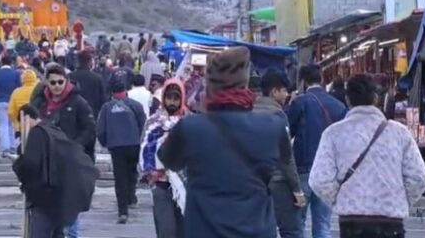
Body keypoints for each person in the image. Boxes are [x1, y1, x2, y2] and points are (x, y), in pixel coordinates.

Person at [158, 46, 289, 238]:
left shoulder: (190, 128)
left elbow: (168, 160)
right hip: (257, 230)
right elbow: (281, 164)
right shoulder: (274, 127)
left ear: (209, 85)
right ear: (245, 82)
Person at [309, 74, 425, 238]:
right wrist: (399, 199)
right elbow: (419, 177)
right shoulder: (399, 133)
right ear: (376, 98)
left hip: (352, 221)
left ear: (347, 100)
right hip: (391, 220)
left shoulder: (333, 134)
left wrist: (339, 198)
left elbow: (319, 180)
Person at [287, 64, 347, 238]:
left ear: (303, 81)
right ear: (321, 79)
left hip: (304, 168)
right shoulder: (338, 106)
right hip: (328, 171)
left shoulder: (300, 103)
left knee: (299, 222)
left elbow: (287, 131)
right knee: (322, 224)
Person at [36, 63, 95, 237]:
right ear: (47, 83)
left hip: (71, 163)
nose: (57, 86)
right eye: (53, 82)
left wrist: (75, 146)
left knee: (71, 206)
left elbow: (90, 128)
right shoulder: (40, 102)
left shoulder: (78, 102)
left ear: (66, 81)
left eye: (60, 82)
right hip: (47, 163)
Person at [256, 71, 305, 238]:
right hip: (278, 181)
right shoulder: (278, 116)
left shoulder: (248, 113)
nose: (286, 95)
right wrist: (297, 189)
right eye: (284, 90)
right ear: (274, 92)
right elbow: (286, 157)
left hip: (254, 182)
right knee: (292, 230)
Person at [139, 80, 186, 238]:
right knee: (166, 230)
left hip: (184, 185)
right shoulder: (153, 122)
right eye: (169, 98)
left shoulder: (188, 122)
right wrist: (150, 171)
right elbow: (145, 147)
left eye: (176, 98)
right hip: (160, 183)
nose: (172, 102)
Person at [97, 78, 146, 224]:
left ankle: (122, 211)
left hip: (116, 146)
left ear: (112, 92)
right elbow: (143, 125)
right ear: (125, 90)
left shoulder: (106, 108)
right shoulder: (136, 105)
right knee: (132, 172)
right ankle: (131, 197)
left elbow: (100, 129)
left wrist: (105, 143)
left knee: (120, 178)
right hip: (134, 144)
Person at [0, 54, 22, 158]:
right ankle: (13, 146)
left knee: (3, 125)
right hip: (13, 101)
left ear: (1, 62)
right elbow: (19, 87)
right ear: (11, 63)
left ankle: (5, 148)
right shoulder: (16, 74)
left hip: (0, 101)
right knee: (12, 125)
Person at [71, 50, 108, 120]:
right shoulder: (97, 78)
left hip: (74, 116)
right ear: (90, 62)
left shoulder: (70, 77)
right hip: (93, 116)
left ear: (78, 61)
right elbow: (103, 100)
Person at [8, 69, 39, 136]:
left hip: (22, 125)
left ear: (22, 79)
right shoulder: (39, 90)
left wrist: (16, 124)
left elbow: (11, 112)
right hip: (38, 126)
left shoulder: (16, 92)